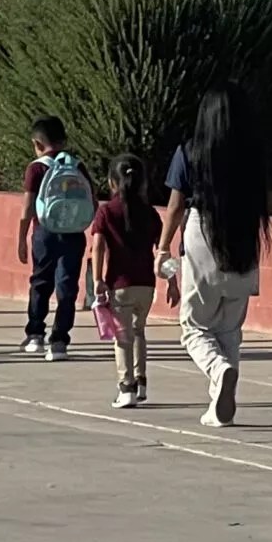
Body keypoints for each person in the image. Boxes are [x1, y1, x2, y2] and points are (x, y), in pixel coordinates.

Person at [160, 86, 270, 427]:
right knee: (229, 328)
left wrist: (163, 248)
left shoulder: (190, 152)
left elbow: (175, 207)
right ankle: (221, 401)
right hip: (244, 236)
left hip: (201, 232)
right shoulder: (252, 154)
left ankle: (218, 369)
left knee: (193, 326)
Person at [88, 153, 162, 410]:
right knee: (139, 331)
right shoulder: (151, 213)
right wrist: (172, 281)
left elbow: (98, 246)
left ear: (112, 182)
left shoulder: (107, 211)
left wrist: (97, 279)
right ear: (143, 183)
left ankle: (126, 387)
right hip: (146, 284)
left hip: (119, 284)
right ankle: (141, 382)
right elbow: (161, 249)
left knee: (122, 337)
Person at [15, 116, 89, 358]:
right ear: (64, 140)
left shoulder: (36, 168)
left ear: (37, 143)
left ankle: (35, 334)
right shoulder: (77, 166)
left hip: (45, 233)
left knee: (40, 282)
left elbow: (27, 209)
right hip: (74, 234)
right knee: (67, 286)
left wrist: (21, 239)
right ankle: (59, 340)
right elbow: (92, 202)